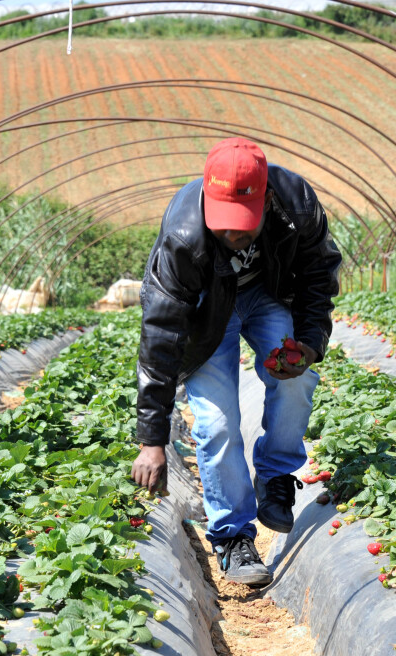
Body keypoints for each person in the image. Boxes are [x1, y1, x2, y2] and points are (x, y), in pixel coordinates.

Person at [132, 137, 341, 586]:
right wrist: (152, 440)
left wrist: (307, 342)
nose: (233, 234)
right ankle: (233, 537)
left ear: (266, 198)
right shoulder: (184, 237)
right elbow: (161, 335)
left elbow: (318, 276)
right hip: (209, 310)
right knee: (217, 422)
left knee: (296, 380)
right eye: (224, 223)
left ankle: (275, 477)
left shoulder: (297, 206)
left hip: (266, 295)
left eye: (243, 224)